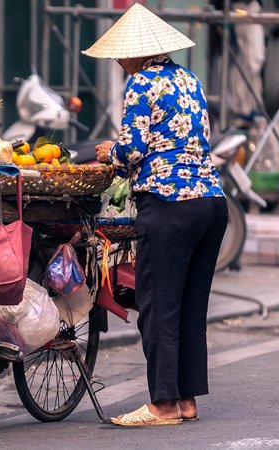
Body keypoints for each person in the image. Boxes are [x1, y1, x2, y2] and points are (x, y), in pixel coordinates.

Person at [82, 3, 228, 426]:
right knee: (189, 307)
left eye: (120, 58)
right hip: (211, 203)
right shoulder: (189, 79)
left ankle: (162, 406)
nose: (120, 64)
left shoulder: (141, 83)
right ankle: (186, 401)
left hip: (170, 204)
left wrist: (111, 151)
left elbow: (133, 149)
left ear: (131, 54)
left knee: (160, 304)